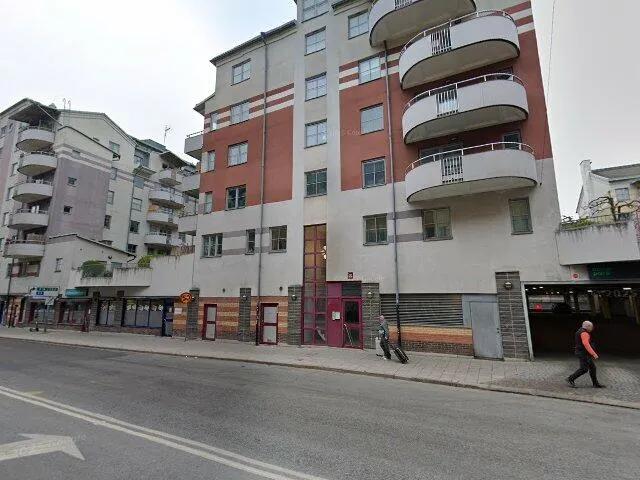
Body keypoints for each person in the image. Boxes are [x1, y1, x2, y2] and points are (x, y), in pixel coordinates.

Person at [566, 320, 605, 388]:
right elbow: (586, 344)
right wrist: (593, 354)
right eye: (591, 327)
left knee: (592, 368)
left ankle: (595, 383)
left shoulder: (579, 331)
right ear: (588, 326)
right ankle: (570, 379)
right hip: (583, 353)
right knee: (584, 369)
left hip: (582, 352)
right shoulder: (584, 333)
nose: (592, 328)